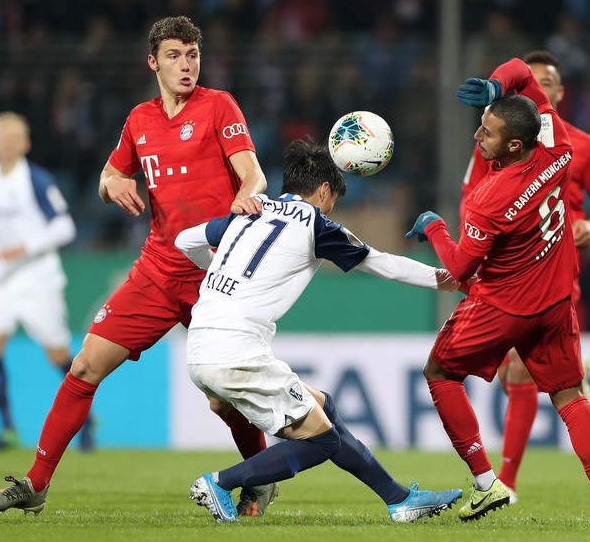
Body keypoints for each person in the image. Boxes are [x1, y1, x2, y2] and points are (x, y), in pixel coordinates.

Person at [0, 16, 273, 516]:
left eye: (193, 55)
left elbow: (254, 174)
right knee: (84, 366)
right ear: (154, 62)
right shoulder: (140, 119)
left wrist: (247, 197)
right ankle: (35, 483)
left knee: (223, 400)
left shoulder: (218, 106)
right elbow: (109, 174)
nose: (187, 65)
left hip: (216, 277)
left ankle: (260, 478)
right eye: (176, 56)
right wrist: (111, 184)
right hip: (157, 271)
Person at [178, 139, 463, 523]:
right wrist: (447, 279)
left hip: (200, 345)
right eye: (333, 200)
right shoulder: (316, 223)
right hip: (237, 350)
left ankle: (399, 501)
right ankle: (220, 482)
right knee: (321, 439)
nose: (332, 208)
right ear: (325, 191)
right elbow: (382, 263)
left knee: (323, 406)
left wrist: (216, 270)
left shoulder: (249, 211)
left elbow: (185, 241)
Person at [406, 57, 590, 525]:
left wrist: (436, 228)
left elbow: (463, 264)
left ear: (511, 144)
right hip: (556, 301)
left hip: (504, 304)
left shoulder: (489, 196)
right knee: (570, 396)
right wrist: (496, 86)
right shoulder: (560, 150)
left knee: (439, 372)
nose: (476, 137)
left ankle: (488, 483)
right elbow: (523, 73)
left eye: (484, 133)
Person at [458, 50, 590, 502]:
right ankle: (518, 481)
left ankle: (506, 483)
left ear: (559, 92)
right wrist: (473, 253)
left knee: (520, 371)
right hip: (506, 267)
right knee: (522, 378)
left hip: (553, 269)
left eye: (548, 83)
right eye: (536, 82)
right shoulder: (496, 143)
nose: (542, 89)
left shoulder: (579, 145)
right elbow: (471, 195)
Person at [0, 112, 93, 452]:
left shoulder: (37, 180)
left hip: (38, 277)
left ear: (25, 144)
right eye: (1, 139)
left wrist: (24, 247)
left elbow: (64, 227)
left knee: (58, 355)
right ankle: (7, 427)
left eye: (14, 139)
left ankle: (86, 418)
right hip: (2, 279)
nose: (7, 145)